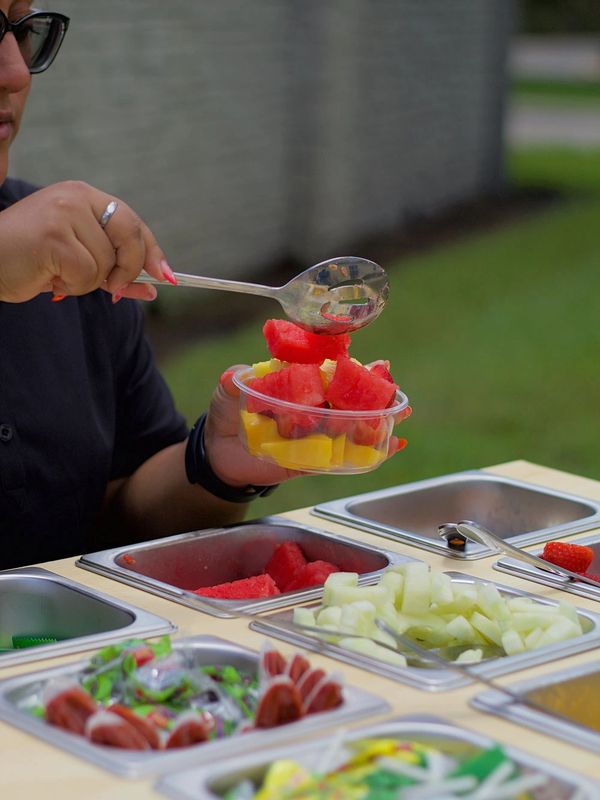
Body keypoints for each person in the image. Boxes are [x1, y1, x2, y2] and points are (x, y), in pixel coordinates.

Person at [0, 4, 406, 570]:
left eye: (22, 31)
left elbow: (121, 519)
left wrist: (214, 464)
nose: (15, 71)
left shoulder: (70, 259)